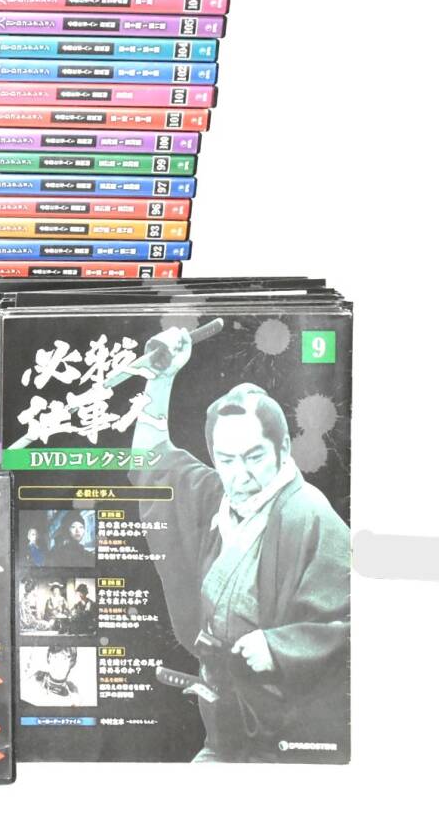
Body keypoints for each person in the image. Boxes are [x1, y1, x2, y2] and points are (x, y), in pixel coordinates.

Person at [129, 326, 350, 762]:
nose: (240, 475)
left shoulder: (309, 515)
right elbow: (150, 459)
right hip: (225, 729)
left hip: (289, 741)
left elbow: (364, 623)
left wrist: (281, 648)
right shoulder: (216, 494)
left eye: (254, 457)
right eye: (226, 460)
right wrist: (162, 378)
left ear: (283, 448)